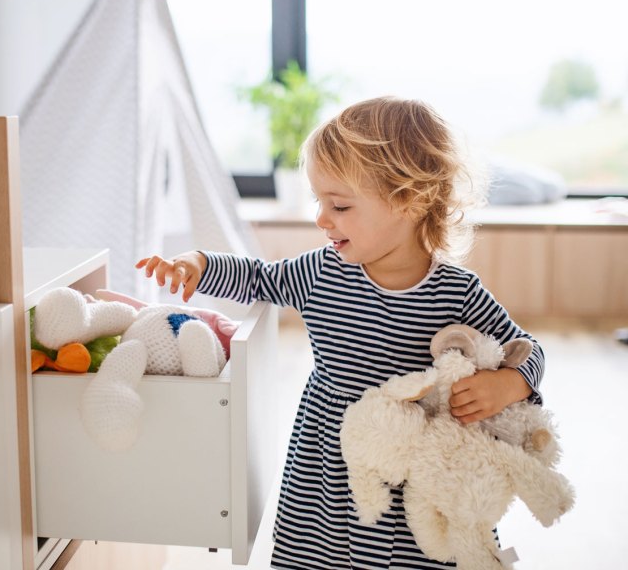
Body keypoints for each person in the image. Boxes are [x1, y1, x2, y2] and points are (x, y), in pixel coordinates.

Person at [137, 96, 544, 569]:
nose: (321, 218)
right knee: (318, 554)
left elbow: (527, 350)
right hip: (327, 457)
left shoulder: (456, 291)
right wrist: (199, 265)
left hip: (417, 464)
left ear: (409, 201)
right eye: (318, 201)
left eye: (340, 205)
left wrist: (511, 382)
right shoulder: (321, 271)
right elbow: (259, 278)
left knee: (424, 553)